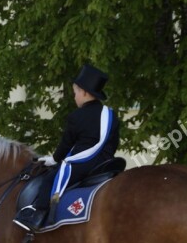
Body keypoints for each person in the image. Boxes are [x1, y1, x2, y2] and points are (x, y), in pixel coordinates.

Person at [13, 64, 120, 232]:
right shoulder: (111, 115)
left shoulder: (76, 116)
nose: (75, 96)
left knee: (49, 179)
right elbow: (113, 143)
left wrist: (54, 159)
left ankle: (38, 215)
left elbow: (66, 144)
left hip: (83, 166)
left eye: (76, 92)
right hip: (105, 164)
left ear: (84, 92)